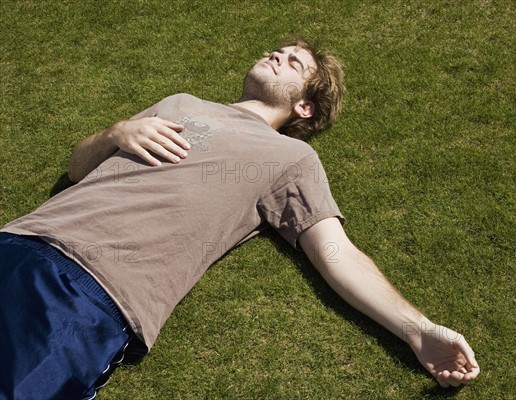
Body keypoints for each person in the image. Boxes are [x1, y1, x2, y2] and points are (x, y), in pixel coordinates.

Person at [0, 38, 480, 399]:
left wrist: (419, 329)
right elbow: (78, 169)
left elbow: (337, 255)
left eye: (295, 62)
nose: (277, 55)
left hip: (93, 293)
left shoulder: (289, 158)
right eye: (279, 50)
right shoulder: (179, 104)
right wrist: (117, 131)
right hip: (16, 243)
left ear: (304, 106)